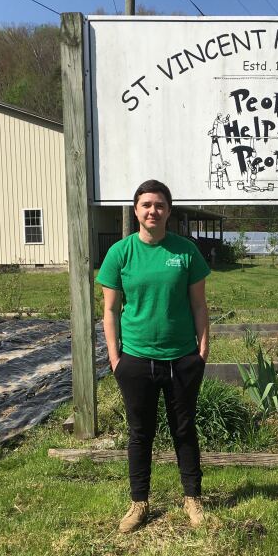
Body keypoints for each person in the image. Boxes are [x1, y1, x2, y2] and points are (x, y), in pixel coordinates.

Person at [97, 179, 210, 533]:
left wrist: (202, 350)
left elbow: (199, 305)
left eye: (159, 205)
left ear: (168, 211)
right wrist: (115, 358)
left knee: (184, 429)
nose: (152, 211)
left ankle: (192, 498)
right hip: (135, 358)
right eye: (146, 205)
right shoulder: (120, 253)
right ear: (136, 210)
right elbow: (110, 311)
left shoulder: (186, 251)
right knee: (139, 432)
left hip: (182, 358)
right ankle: (139, 502)